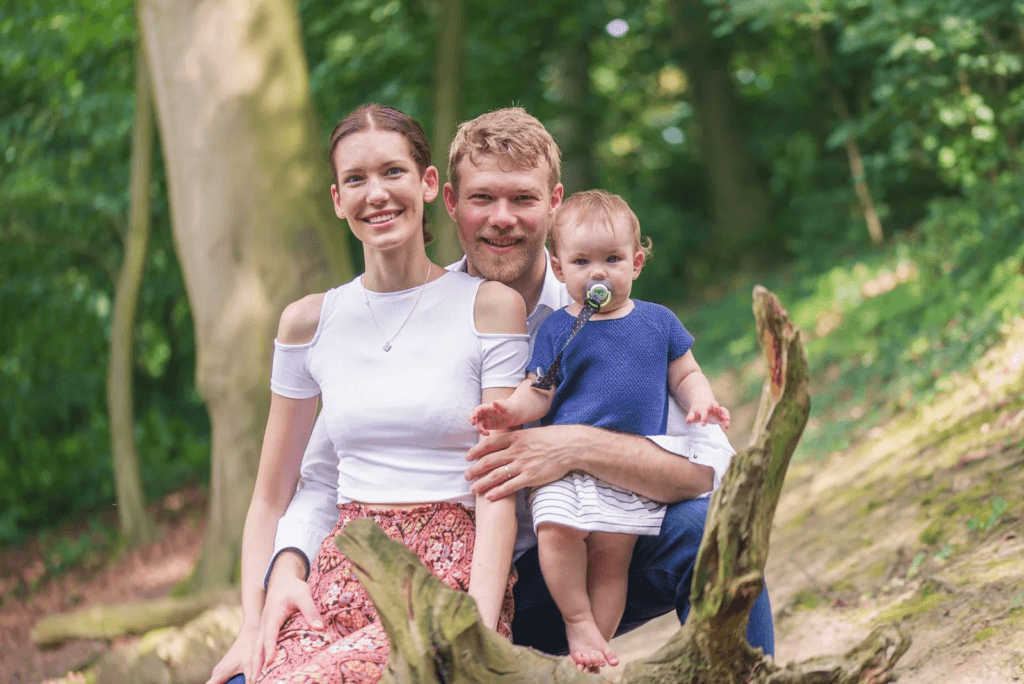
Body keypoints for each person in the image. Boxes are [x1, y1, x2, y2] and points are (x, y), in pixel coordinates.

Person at [209, 107, 773, 684]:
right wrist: (285, 568)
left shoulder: (619, 316)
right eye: (483, 199)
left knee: (705, 531)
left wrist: (574, 446)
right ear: (450, 201)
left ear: (555, 203)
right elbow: (323, 479)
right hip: (437, 576)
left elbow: (711, 475)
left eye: (523, 200)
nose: (502, 219)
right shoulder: (407, 312)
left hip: (576, 572)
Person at [214, 103, 529, 684]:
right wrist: (250, 626)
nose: (376, 193)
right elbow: (270, 496)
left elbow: (496, 489)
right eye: (355, 179)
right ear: (337, 200)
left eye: (393, 172)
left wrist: (479, 630)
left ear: (429, 184)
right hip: (338, 569)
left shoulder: (487, 306)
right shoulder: (308, 323)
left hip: (444, 576)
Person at [469, 189, 731, 671]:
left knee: (613, 560)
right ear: (560, 267)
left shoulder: (658, 322)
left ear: (636, 263)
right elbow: (539, 389)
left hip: (628, 470)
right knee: (556, 535)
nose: (598, 273)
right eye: (582, 261)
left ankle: (595, 640)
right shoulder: (558, 328)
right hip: (563, 473)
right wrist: (507, 412)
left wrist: (702, 404)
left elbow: (686, 374)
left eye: (612, 259)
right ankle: (576, 618)